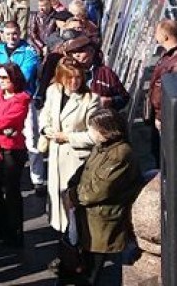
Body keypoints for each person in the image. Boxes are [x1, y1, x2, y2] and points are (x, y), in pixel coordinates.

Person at [64, 108, 142, 286]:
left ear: (107, 130)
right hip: (88, 216)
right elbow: (84, 170)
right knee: (82, 265)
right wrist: (72, 186)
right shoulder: (102, 147)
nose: (90, 132)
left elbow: (100, 189)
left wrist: (73, 195)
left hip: (103, 219)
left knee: (93, 270)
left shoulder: (120, 154)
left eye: (93, 128)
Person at [39, 58, 99, 270]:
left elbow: (94, 135)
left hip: (76, 160)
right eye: (70, 78)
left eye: (78, 77)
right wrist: (45, 130)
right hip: (56, 159)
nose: (74, 82)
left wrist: (68, 136)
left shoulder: (91, 99)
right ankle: (67, 253)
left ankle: (79, 258)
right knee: (59, 208)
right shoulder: (53, 91)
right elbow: (45, 115)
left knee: (74, 210)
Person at [0, 21, 44, 194]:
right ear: (3, 34)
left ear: (20, 33)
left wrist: (1, 71)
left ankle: (37, 179)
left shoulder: (29, 51)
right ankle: (4, 174)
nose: (12, 37)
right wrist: (4, 73)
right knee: (1, 134)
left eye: (15, 34)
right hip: (0, 98)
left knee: (32, 138)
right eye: (8, 34)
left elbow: (22, 76)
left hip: (24, 98)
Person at [0, 62, 32, 247]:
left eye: (4, 78)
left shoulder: (22, 99)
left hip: (11, 150)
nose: (0, 81)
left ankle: (14, 233)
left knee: (11, 191)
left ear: (14, 79)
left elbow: (3, 121)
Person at [147, 19, 177, 165]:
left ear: (166, 36)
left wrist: (162, 116)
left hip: (167, 119)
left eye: (157, 33)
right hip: (160, 116)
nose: (155, 36)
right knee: (158, 154)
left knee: (167, 158)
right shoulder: (169, 54)